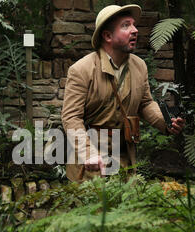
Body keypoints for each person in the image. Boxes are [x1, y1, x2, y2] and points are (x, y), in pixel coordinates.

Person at [61, 4, 186, 182]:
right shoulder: (82, 70)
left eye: (134, 25)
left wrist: (166, 123)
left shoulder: (139, 66)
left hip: (125, 158)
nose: (135, 30)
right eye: (126, 25)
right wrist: (87, 153)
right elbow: (71, 117)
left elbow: (145, 103)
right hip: (90, 163)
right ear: (107, 36)